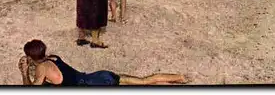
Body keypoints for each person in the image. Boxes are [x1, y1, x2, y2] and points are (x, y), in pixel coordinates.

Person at [18, 39, 188, 86]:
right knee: (144, 81)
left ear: (32, 57)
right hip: (99, 76)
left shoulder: (42, 67)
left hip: (95, 84)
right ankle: (179, 77)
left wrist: (24, 72)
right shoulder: (53, 57)